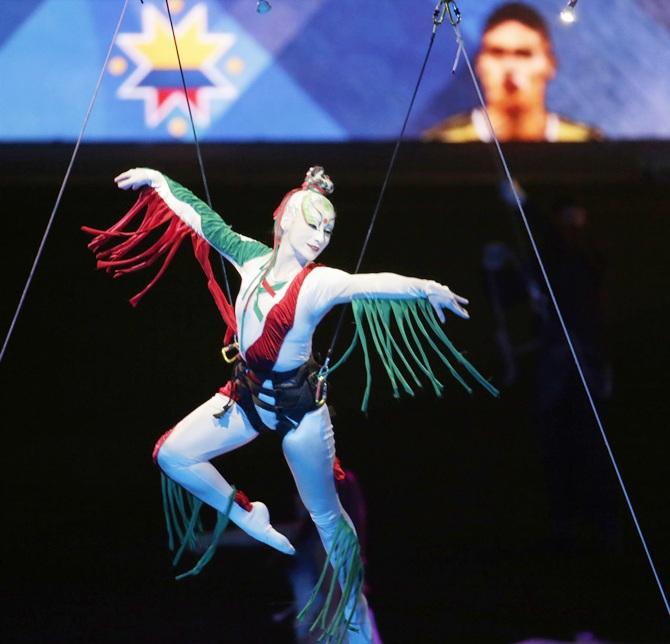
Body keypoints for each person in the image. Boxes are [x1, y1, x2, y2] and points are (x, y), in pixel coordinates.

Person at [83, 165, 495, 643]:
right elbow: (202, 220)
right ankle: (246, 516)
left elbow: (373, 282)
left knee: (325, 514)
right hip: (245, 399)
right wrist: (159, 181)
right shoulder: (250, 260)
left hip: (301, 413)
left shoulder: (318, 283)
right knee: (172, 454)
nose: (320, 236)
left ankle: (355, 605)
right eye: (312, 224)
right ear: (283, 221)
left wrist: (427, 288)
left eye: (328, 229)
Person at [422, 2, 602, 143]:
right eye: (496, 52)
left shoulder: (588, 145)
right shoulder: (441, 144)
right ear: (479, 64)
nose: (509, 66)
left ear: (550, 65)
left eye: (523, 53)